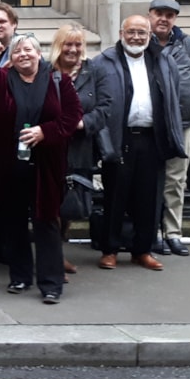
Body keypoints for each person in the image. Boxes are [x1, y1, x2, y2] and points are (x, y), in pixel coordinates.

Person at [0, 34, 82, 303]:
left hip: (46, 165)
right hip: (8, 163)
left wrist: (46, 132)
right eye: (17, 52)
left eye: (28, 50)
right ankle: (19, 277)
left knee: (46, 222)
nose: (23, 55)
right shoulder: (1, 79)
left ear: (39, 54)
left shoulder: (58, 80)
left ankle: (51, 284)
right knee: (14, 222)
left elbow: (72, 115)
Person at [94, 16, 186, 272]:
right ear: (122, 32)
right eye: (131, 32)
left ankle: (142, 250)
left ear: (149, 35)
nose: (136, 37)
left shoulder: (163, 60)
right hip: (120, 137)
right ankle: (110, 249)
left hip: (152, 138)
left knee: (150, 198)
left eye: (141, 33)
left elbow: (174, 94)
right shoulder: (104, 61)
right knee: (115, 196)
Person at [148, 0, 190, 256]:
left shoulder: (189, 44)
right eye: (159, 14)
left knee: (176, 180)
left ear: (175, 19)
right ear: (150, 15)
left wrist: (189, 99)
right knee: (150, 181)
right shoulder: (141, 42)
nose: (164, 19)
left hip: (183, 123)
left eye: (169, 15)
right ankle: (151, 233)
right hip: (149, 126)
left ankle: (173, 233)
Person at [50, 23, 113, 272]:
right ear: (58, 45)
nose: (73, 49)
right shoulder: (47, 71)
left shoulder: (94, 71)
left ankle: (59, 247)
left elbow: (106, 107)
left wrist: (82, 123)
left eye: (78, 44)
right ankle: (53, 256)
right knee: (50, 203)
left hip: (80, 147)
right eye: (68, 44)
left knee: (70, 203)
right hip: (52, 146)